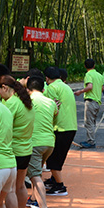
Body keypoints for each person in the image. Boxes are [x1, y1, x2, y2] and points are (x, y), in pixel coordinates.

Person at [0, 75, 33, 208]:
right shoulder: (26, 101)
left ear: (4, 88)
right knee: (21, 185)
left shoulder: (11, 104)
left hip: (13, 150)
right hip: (26, 150)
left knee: (9, 190)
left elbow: (2, 126)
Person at [24, 76, 57, 208]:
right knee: (36, 172)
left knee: (35, 175)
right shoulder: (50, 102)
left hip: (35, 143)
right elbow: (55, 115)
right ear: (43, 89)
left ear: (28, 89)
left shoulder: (29, 101)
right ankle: (34, 199)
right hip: (49, 142)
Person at [43, 67, 76, 196]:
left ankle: (60, 186)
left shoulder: (51, 88)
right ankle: (54, 179)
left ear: (47, 78)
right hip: (70, 126)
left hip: (60, 127)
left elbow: (52, 108)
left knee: (53, 159)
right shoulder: (65, 86)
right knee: (58, 155)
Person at [74, 59, 103, 149]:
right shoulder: (99, 75)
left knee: (88, 123)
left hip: (90, 101)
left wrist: (81, 91)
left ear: (85, 66)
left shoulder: (88, 74)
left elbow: (90, 86)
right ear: (94, 65)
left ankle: (91, 141)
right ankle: (90, 139)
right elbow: (102, 88)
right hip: (97, 101)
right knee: (92, 121)